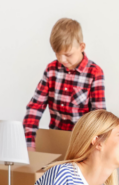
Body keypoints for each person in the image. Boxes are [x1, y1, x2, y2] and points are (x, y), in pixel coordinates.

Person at [22, 18, 106, 149]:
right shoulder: (51, 70)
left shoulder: (95, 73)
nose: (62, 59)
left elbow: (99, 117)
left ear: (81, 47)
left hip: (82, 144)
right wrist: (29, 143)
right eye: (57, 54)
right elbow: (35, 108)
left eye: (68, 54)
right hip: (55, 141)